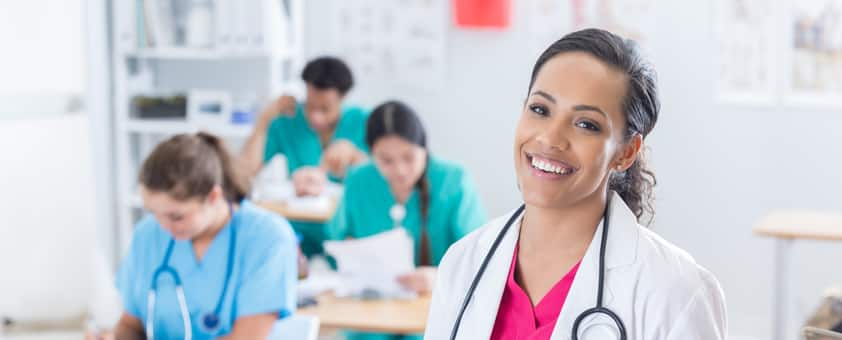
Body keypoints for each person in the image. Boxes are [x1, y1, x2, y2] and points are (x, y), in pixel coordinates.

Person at [424, 29, 727, 340]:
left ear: (626, 153)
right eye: (540, 109)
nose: (550, 138)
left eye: (586, 124)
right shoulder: (463, 263)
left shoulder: (675, 292)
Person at [95, 132, 297, 340]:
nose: (163, 226)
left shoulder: (267, 238)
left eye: (176, 216)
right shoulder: (147, 235)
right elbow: (131, 323)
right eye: (154, 212)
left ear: (213, 197)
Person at [326, 100, 488, 340]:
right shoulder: (359, 181)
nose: (400, 170)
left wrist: (437, 278)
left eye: (409, 157)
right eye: (386, 160)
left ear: (424, 148)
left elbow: (480, 258)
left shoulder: (454, 182)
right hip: (370, 316)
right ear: (371, 155)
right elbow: (337, 241)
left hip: (434, 314)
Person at [239, 56, 369, 257]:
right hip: (301, 226)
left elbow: (385, 177)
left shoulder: (362, 121)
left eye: (325, 109)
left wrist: (356, 156)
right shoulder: (288, 120)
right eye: (310, 106)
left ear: (343, 98)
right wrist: (264, 120)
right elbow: (244, 171)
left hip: (346, 227)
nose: (316, 116)